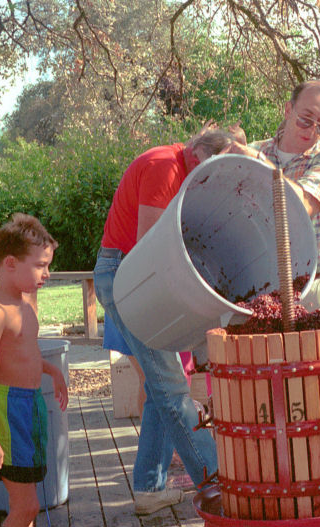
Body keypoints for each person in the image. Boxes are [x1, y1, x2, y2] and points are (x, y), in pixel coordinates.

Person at [94, 125, 238, 515]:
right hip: (126, 274)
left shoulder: (180, 165)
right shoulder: (164, 166)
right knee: (173, 387)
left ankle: (148, 489)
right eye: (208, 171)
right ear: (197, 154)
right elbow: (146, 244)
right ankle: (221, 487)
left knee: (162, 386)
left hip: (134, 273)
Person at [0, 213, 68, 527]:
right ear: (10, 263)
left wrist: (52, 371)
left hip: (30, 407)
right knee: (26, 507)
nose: (47, 274)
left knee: (27, 506)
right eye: (40, 265)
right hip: (8, 411)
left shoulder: (25, 306)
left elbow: (23, 356)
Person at [231, 80, 320, 312]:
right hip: (255, 289)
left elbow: (301, 205)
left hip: (311, 288)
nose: (312, 130)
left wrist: (256, 164)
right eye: (306, 118)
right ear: (288, 110)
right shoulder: (256, 150)